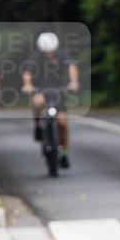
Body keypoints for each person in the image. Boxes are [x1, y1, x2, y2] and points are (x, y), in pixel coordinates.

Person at [21, 32, 80, 169]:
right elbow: (27, 73)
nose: (49, 54)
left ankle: (64, 153)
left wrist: (74, 82)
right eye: (46, 51)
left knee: (63, 124)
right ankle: (37, 125)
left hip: (58, 91)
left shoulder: (62, 54)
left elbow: (71, 67)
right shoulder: (35, 57)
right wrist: (28, 85)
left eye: (51, 51)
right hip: (41, 90)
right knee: (36, 102)